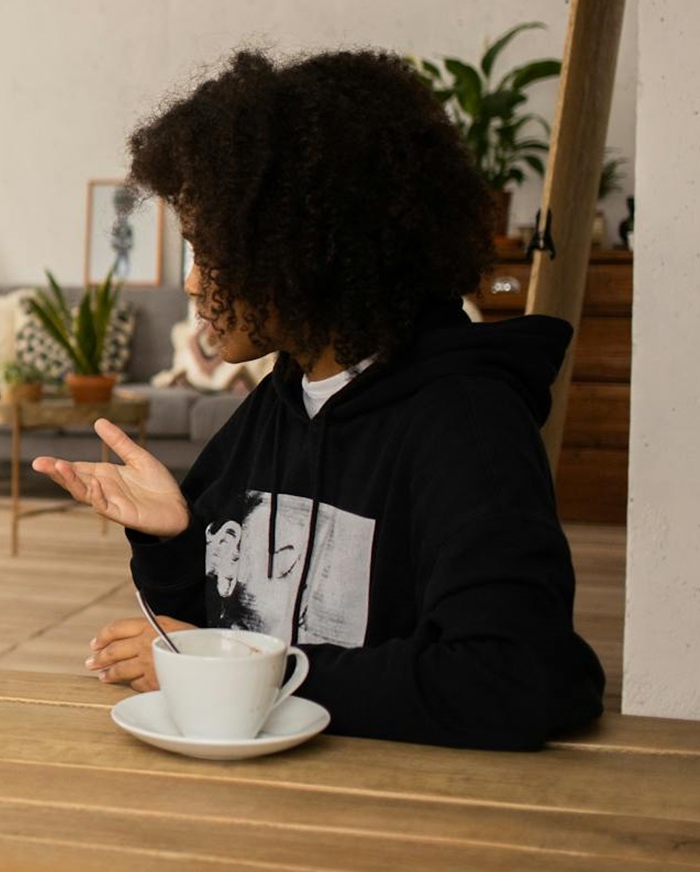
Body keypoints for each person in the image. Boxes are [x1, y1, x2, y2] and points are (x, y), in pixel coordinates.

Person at [33, 48, 605, 749]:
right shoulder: (280, 404)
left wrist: (256, 675)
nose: (191, 283)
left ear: (304, 252)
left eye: (210, 251)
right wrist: (172, 538)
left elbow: (511, 676)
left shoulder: (465, 425)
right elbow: (214, 625)